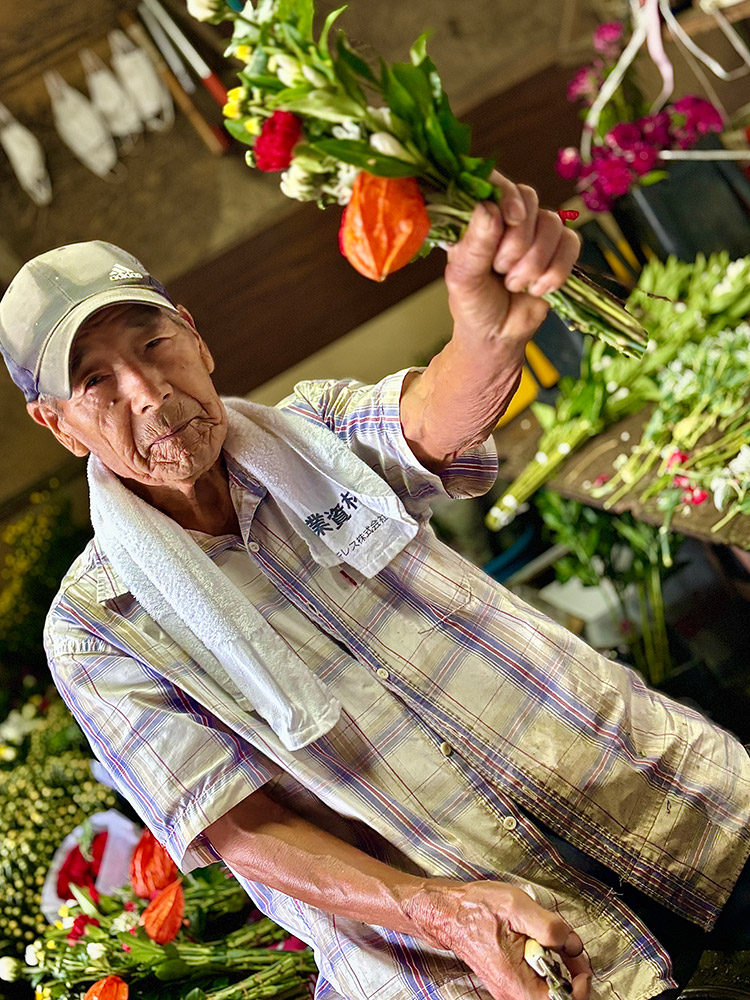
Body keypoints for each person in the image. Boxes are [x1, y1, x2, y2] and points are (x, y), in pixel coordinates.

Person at [1, 174, 750, 1000]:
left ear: (195, 338)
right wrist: (443, 913)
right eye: (97, 382)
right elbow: (245, 831)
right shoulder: (96, 627)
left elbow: (429, 420)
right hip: (488, 954)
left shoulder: (314, 431)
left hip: (659, 792)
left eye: (152, 345)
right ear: (58, 424)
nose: (147, 392)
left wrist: (488, 337)